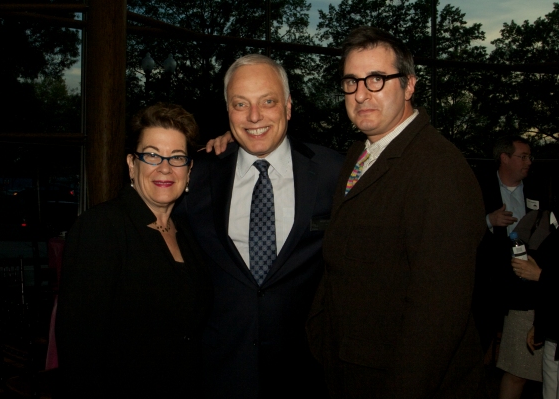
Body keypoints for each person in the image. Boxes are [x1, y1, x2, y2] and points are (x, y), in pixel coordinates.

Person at [304, 26, 485, 398]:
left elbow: (439, 311)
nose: (361, 94)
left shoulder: (438, 169)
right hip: (349, 367)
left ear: (409, 85)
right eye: (351, 81)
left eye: (376, 79)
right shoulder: (361, 151)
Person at [177, 54, 344, 398]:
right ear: (228, 110)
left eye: (267, 101)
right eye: (241, 104)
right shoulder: (199, 174)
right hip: (218, 373)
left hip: (306, 373)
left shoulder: (333, 172)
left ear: (288, 106)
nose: (254, 116)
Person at [55, 103, 212, 397]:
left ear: (189, 169)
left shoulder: (188, 232)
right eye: (152, 155)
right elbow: (79, 353)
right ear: (132, 163)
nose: (165, 167)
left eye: (177, 157)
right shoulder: (100, 228)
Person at [473, 136, 545, 399]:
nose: (529, 162)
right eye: (523, 156)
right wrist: (489, 221)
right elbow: (457, 228)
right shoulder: (479, 186)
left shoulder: (537, 188)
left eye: (529, 157)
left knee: (519, 354)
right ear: (504, 158)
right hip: (488, 281)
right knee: (477, 344)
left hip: (524, 281)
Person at [513, 226, 559, 399]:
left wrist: (540, 275)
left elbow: (545, 274)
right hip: (553, 333)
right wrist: (540, 323)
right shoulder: (555, 235)